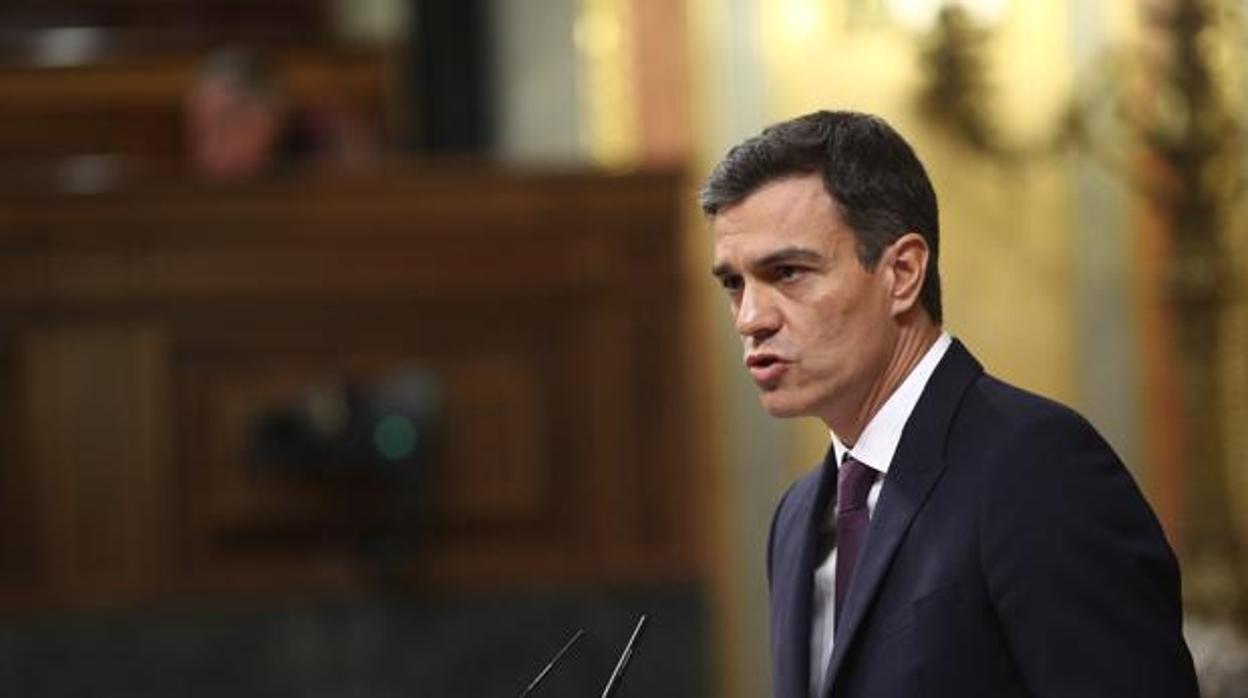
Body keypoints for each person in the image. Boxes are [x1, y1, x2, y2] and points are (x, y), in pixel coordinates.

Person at [702, 110, 1199, 697]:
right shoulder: (796, 515)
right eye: (734, 284)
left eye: (787, 272)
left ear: (903, 273)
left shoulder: (1038, 468)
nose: (750, 318)